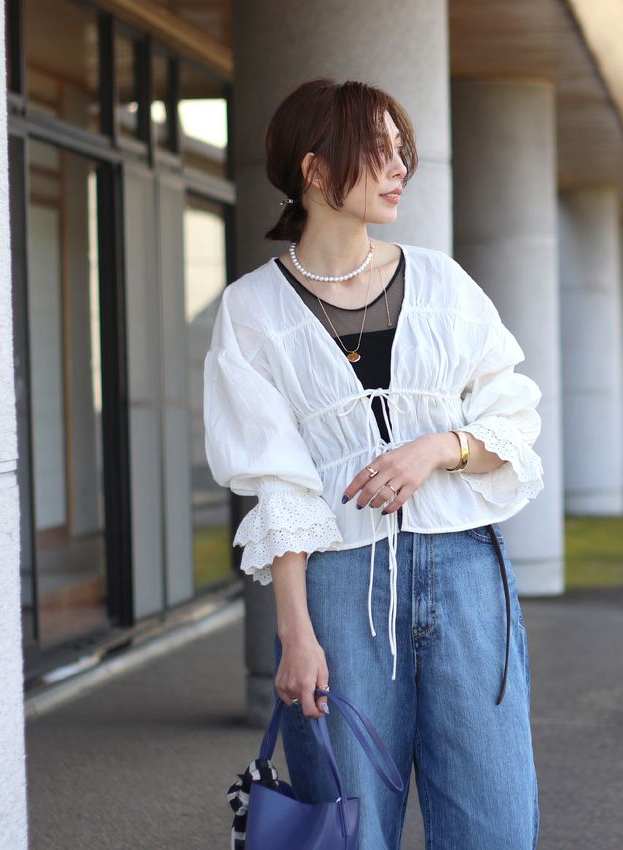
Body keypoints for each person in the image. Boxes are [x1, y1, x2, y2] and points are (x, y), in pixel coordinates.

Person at [204, 77, 544, 850]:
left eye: (401, 149)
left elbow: (514, 415)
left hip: (465, 570)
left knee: (494, 818)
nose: (399, 167)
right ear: (315, 169)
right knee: (348, 823)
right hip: (338, 585)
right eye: (378, 150)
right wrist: (295, 634)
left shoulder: (443, 285)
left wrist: (441, 447)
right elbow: (277, 485)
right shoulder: (252, 311)